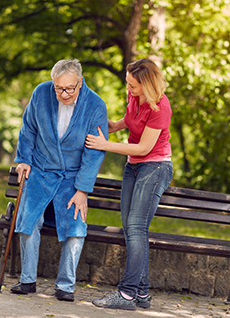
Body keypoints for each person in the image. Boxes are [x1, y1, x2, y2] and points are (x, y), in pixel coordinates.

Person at [10, 59, 108, 302]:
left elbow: (94, 152)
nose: (64, 94)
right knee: (27, 220)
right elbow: (28, 129)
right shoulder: (41, 93)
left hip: (73, 178)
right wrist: (24, 159)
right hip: (41, 170)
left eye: (69, 89)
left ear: (80, 82)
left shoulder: (95, 105)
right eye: (58, 88)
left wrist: (83, 190)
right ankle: (27, 280)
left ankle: (65, 286)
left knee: (75, 228)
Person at [85, 58, 173, 311]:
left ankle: (126, 295)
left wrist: (105, 145)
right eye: (127, 83)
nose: (128, 89)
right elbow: (130, 120)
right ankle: (142, 294)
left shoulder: (161, 108)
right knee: (131, 228)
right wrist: (111, 126)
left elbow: (145, 147)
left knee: (135, 227)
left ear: (147, 85)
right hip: (133, 166)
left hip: (155, 167)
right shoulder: (135, 96)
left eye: (133, 85)